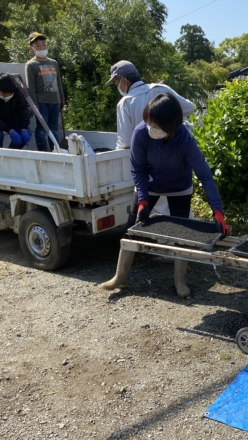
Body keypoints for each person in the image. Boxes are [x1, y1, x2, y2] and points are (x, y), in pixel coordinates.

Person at [100, 93, 230, 298]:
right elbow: (138, 169)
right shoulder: (141, 133)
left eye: (156, 126)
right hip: (149, 186)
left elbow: (204, 174)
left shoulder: (184, 138)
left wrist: (217, 210)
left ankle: (180, 281)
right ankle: (120, 276)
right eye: (148, 123)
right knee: (131, 229)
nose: (150, 128)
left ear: (171, 126)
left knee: (181, 233)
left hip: (179, 186)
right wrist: (143, 199)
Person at [106, 60, 195, 217]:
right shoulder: (160, 89)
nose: (117, 87)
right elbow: (190, 108)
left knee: (157, 216)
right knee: (182, 216)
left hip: (151, 168)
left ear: (124, 80)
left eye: (115, 82)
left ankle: (164, 241)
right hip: (177, 163)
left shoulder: (125, 103)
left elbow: (125, 142)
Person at [25, 32, 65, 152]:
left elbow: (58, 83)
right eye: (37, 45)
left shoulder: (53, 63)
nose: (41, 47)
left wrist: (62, 100)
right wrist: (34, 104)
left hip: (55, 101)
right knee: (42, 130)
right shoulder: (31, 65)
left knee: (54, 130)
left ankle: (56, 153)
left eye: (43, 44)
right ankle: (44, 153)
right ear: (31, 48)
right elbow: (30, 87)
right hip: (41, 103)